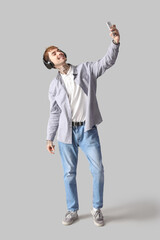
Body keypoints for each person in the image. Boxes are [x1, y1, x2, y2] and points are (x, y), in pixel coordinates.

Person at [43, 24, 120, 227]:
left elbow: (107, 62)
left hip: (87, 130)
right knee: (69, 173)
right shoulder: (54, 86)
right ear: (50, 63)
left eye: (58, 50)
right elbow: (54, 113)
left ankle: (96, 208)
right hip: (65, 134)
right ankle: (72, 209)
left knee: (98, 170)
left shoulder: (85, 69)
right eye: (53, 53)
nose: (57, 53)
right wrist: (49, 138)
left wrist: (114, 42)